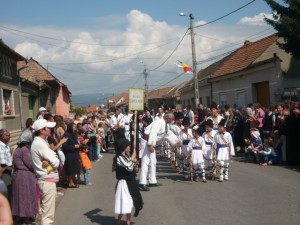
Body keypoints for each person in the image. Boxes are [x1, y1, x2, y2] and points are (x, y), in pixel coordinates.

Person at [31, 119, 60, 225]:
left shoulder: (41, 142)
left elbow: (52, 159)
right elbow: (56, 162)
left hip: (45, 179)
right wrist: (54, 158)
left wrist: (52, 159)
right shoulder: (40, 144)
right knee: (48, 216)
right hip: (47, 180)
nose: (50, 129)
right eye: (48, 128)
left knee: (48, 212)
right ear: (42, 131)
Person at [139, 112, 178, 190]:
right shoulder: (159, 122)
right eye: (172, 119)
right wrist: (151, 145)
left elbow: (168, 134)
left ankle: (152, 181)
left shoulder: (165, 124)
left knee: (153, 161)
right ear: (168, 118)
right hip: (147, 141)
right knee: (145, 161)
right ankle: (142, 182)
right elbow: (153, 133)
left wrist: (177, 141)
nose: (172, 121)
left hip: (151, 142)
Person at [113, 138, 143, 225]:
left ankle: (128, 222)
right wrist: (133, 161)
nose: (129, 146)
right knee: (124, 203)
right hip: (124, 183)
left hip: (130, 182)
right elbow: (129, 167)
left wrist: (135, 162)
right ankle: (118, 222)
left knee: (129, 202)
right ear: (123, 147)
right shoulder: (118, 158)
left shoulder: (126, 156)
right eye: (128, 145)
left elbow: (133, 168)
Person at [11, 132, 38, 225]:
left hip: (20, 175)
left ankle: (24, 219)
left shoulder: (18, 149)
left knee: (21, 198)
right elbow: (30, 163)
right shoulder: (24, 150)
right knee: (25, 198)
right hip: (24, 177)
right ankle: (25, 221)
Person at [62, 123, 81, 188]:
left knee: (74, 169)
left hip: (74, 154)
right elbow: (64, 146)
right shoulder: (66, 134)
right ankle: (70, 182)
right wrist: (74, 146)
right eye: (74, 127)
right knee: (70, 169)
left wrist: (78, 145)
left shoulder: (72, 134)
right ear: (70, 127)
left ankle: (73, 181)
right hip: (69, 155)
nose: (75, 128)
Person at [0, 129, 13, 203]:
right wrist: (13, 170)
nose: (10, 136)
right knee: (8, 190)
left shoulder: (6, 144)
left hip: (9, 169)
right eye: (7, 135)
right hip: (5, 172)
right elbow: (3, 164)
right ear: (2, 137)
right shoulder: (1, 147)